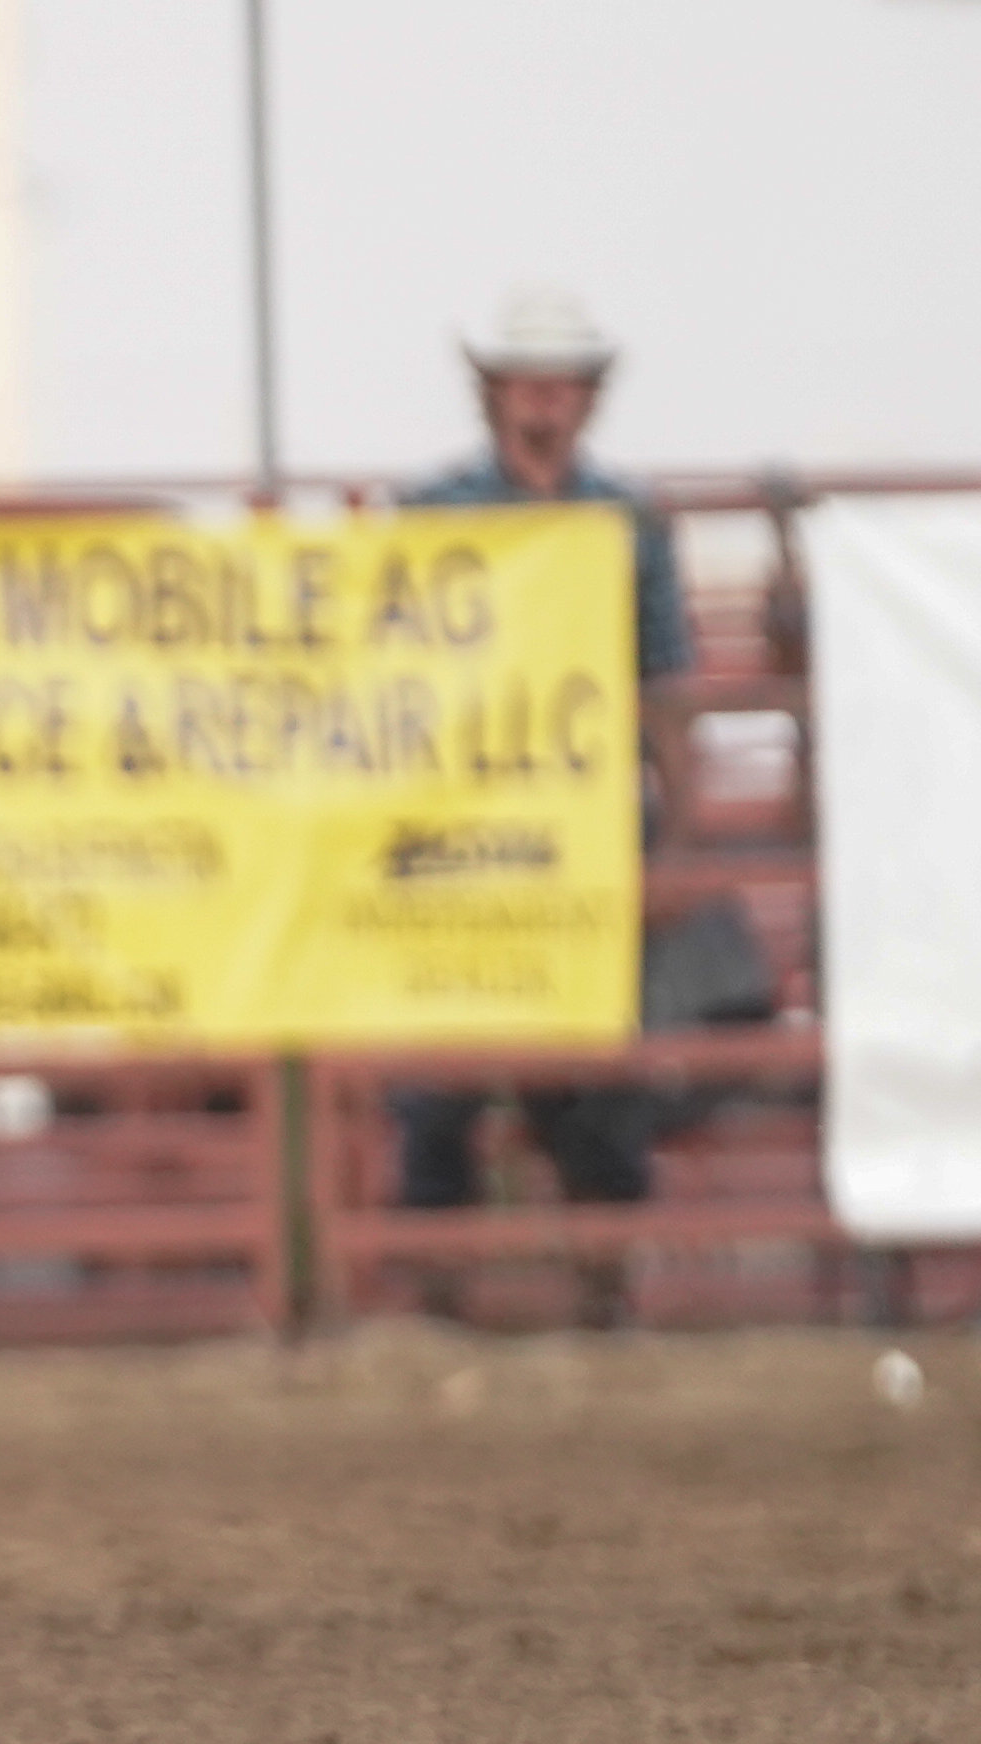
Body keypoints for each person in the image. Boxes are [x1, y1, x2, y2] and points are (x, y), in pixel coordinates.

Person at [394, 287, 699, 1308]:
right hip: (463, 827)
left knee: (594, 1085)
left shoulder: (627, 522)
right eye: (530, 385)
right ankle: (445, 1298)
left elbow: (665, 689)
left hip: (580, 829)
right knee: (440, 1081)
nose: (545, 404)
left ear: (586, 398)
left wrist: (677, 840)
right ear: (494, 393)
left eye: (561, 386)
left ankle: (604, 1293)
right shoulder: (435, 516)